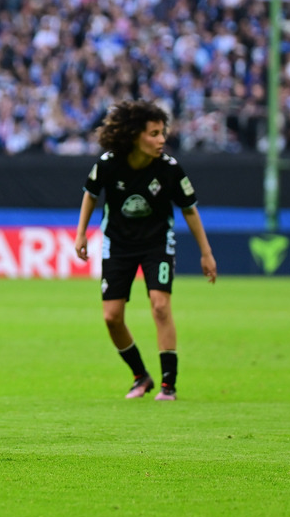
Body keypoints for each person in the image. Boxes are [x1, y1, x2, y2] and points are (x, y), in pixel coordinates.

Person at [74, 100, 217, 401]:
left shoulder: (169, 168)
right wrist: (81, 234)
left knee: (160, 306)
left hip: (156, 243)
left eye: (163, 132)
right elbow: (90, 194)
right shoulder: (109, 162)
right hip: (118, 243)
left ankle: (169, 385)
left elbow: (189, 210)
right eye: (154, 133)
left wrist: (206, 252)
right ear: (134, 135)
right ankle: (141, 376)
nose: (162, 139)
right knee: (112, 317)